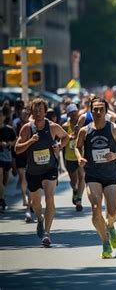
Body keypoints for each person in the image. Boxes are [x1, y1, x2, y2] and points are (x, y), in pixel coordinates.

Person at [75, 97, 116, 259]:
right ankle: (105, 242)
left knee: (113, 212)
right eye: (95, 109)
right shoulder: (84, 131)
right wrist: (79, 157)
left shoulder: (114, 129)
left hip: (112, 175)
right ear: (90, 111)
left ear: (106, 111)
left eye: (101, 109)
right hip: (93, 175)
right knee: (95, 208)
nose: (98, 112)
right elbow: (77, 147)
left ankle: (110, 226)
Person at [15, 98, 69, 247]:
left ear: (45, 111)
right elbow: (17, 149)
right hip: (33, 171)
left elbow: (65, 137)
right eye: (35, 110)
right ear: (31, 112)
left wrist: (59, 145)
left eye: (41, 110)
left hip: (50, 169)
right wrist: (30, 141)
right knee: (35, 203)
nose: (38, 112)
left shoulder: (52, 127)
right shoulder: (26, 128)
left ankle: (47, 233)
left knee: (50, 197)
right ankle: (39, 218)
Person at [62, 103, 85, 211]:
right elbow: (61, 141)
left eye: (75, 113)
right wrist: (69, 138)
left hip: (80, 155)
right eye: (72, 114)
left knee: (82, 176)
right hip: (69, 156)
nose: (74, 115)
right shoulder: (65, 126)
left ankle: (79, 199)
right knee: (73, 180)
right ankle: (75, 190)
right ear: (69, 114)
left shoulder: (82, 125)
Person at [13, 108, 33, 221]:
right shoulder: (17, 123)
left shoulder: (32, 125)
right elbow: (14, 139)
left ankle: (30, 203)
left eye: (26, 114)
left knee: (30, 180)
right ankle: (24, 197)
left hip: (30, 156)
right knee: (22, 177)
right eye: (23, 114)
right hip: (20, 154)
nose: (25, 115)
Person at [0, 110, 16, 212]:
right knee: (0, 176)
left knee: (4, 180)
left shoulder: (9, 129)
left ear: (4, 117)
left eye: (0, 115)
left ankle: (1, 195)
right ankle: (2, 200)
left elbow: (16, 141)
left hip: (7, 156)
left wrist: (9, 143)